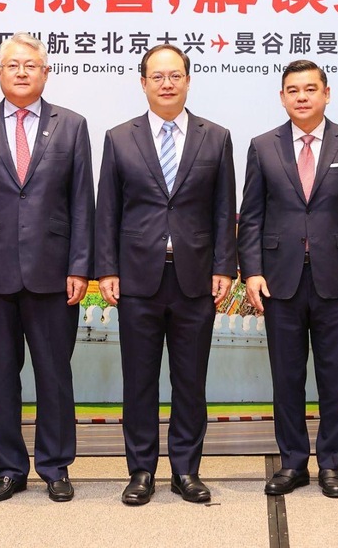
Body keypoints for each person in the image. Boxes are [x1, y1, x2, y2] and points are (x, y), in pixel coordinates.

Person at [0, 33, 94, 503]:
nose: (21, 72)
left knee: (54, 374)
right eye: (12, 65)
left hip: (54, 272)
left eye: (30, 65)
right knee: (1, 375)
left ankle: (55, 466)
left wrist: (80, 266)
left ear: (45, 72)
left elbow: (82, 203)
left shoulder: (71, 125)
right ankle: (9, 468)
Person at [95, 44, 237, 506]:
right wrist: (107, 269)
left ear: (188, 80)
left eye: (175, 75)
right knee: (138, 381)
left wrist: (224, 266)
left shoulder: (216, 137)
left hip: (195, 277)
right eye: (157, 76)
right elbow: (107, 209)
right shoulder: (120, 137)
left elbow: (224, 209)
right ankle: (141, 472)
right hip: (137, 278)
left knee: (190, 382)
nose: (167, 83)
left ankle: (186, 471)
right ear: (143, 83)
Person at [238, 59, 338, 499]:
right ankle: (293, 463)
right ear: (282, 97)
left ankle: (332, 464)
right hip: (279, 281)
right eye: (293, 90)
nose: (302, 97)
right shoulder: (262, 146)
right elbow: (251, 217)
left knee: (335, 377)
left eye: (310, 89)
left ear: (326, 93)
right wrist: (252, 271)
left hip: (336, 281)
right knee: (287, 378)